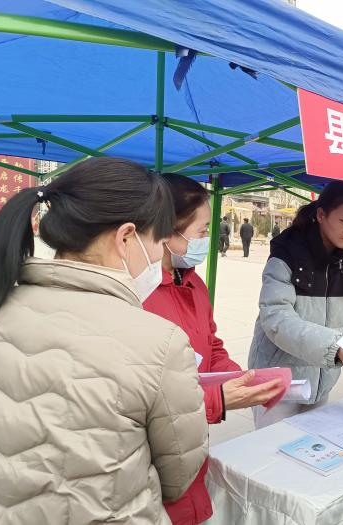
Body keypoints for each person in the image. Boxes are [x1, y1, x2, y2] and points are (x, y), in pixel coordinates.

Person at [0, 157, 208, 523]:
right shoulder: (159, 342)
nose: (159, 255)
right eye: (158, 239)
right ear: (126, 238)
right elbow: (177, 477)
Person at [144, 173, 285, 525]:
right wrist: (217, 399)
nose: (207, 240)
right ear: (167, 232)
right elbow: (145, 395)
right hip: (152, 462)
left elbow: (212, 345)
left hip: (191, 445)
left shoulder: (194, 283)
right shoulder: (139, 295)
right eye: (202, 231)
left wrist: (239, 379)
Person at [248, 180, 343, 428]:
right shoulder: (286, 255)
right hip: (277, 385)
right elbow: (276, 318)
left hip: (320, 385)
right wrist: (336, 348)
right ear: (321, 215)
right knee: (275, 448)